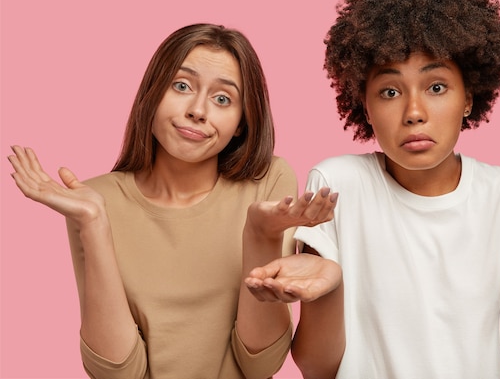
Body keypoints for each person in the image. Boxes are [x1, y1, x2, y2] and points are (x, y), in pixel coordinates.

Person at [243, 0, 500, 379]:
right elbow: (318, 367)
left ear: (468, 97)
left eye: (436, 87)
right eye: (389, 92)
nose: (414, 113)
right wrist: (329, 288)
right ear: (365, 106)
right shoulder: (338, 185)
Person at [7, 23, 337, 379]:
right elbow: (117, 373)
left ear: (242, 122)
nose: (198, 110)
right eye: (181, 86)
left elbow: (260, 364)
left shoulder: (269, 180)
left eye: (222, 99)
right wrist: (93, 223)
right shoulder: (94, 200)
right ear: (152, 94)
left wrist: (261, 236)